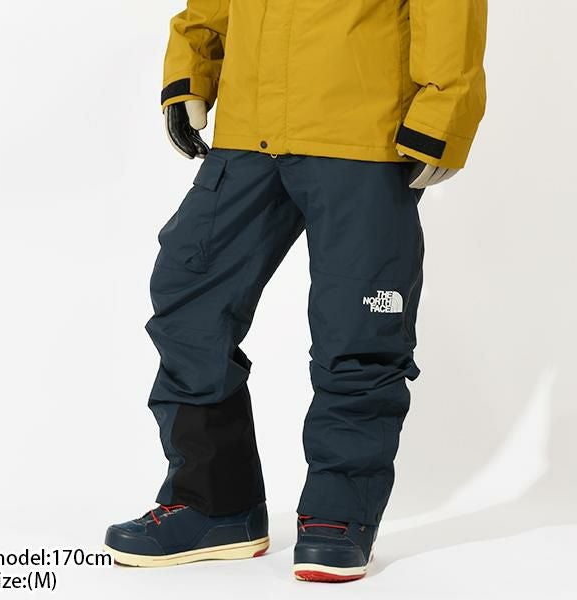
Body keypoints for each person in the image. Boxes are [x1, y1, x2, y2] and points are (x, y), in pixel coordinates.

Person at [104, 0, 488, 582]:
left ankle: (339, 512)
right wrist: (192, 68)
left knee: (357, 330)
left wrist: (444, 109)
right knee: (190, 300)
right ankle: (215, 505)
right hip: (249, 129)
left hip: (362, 133)